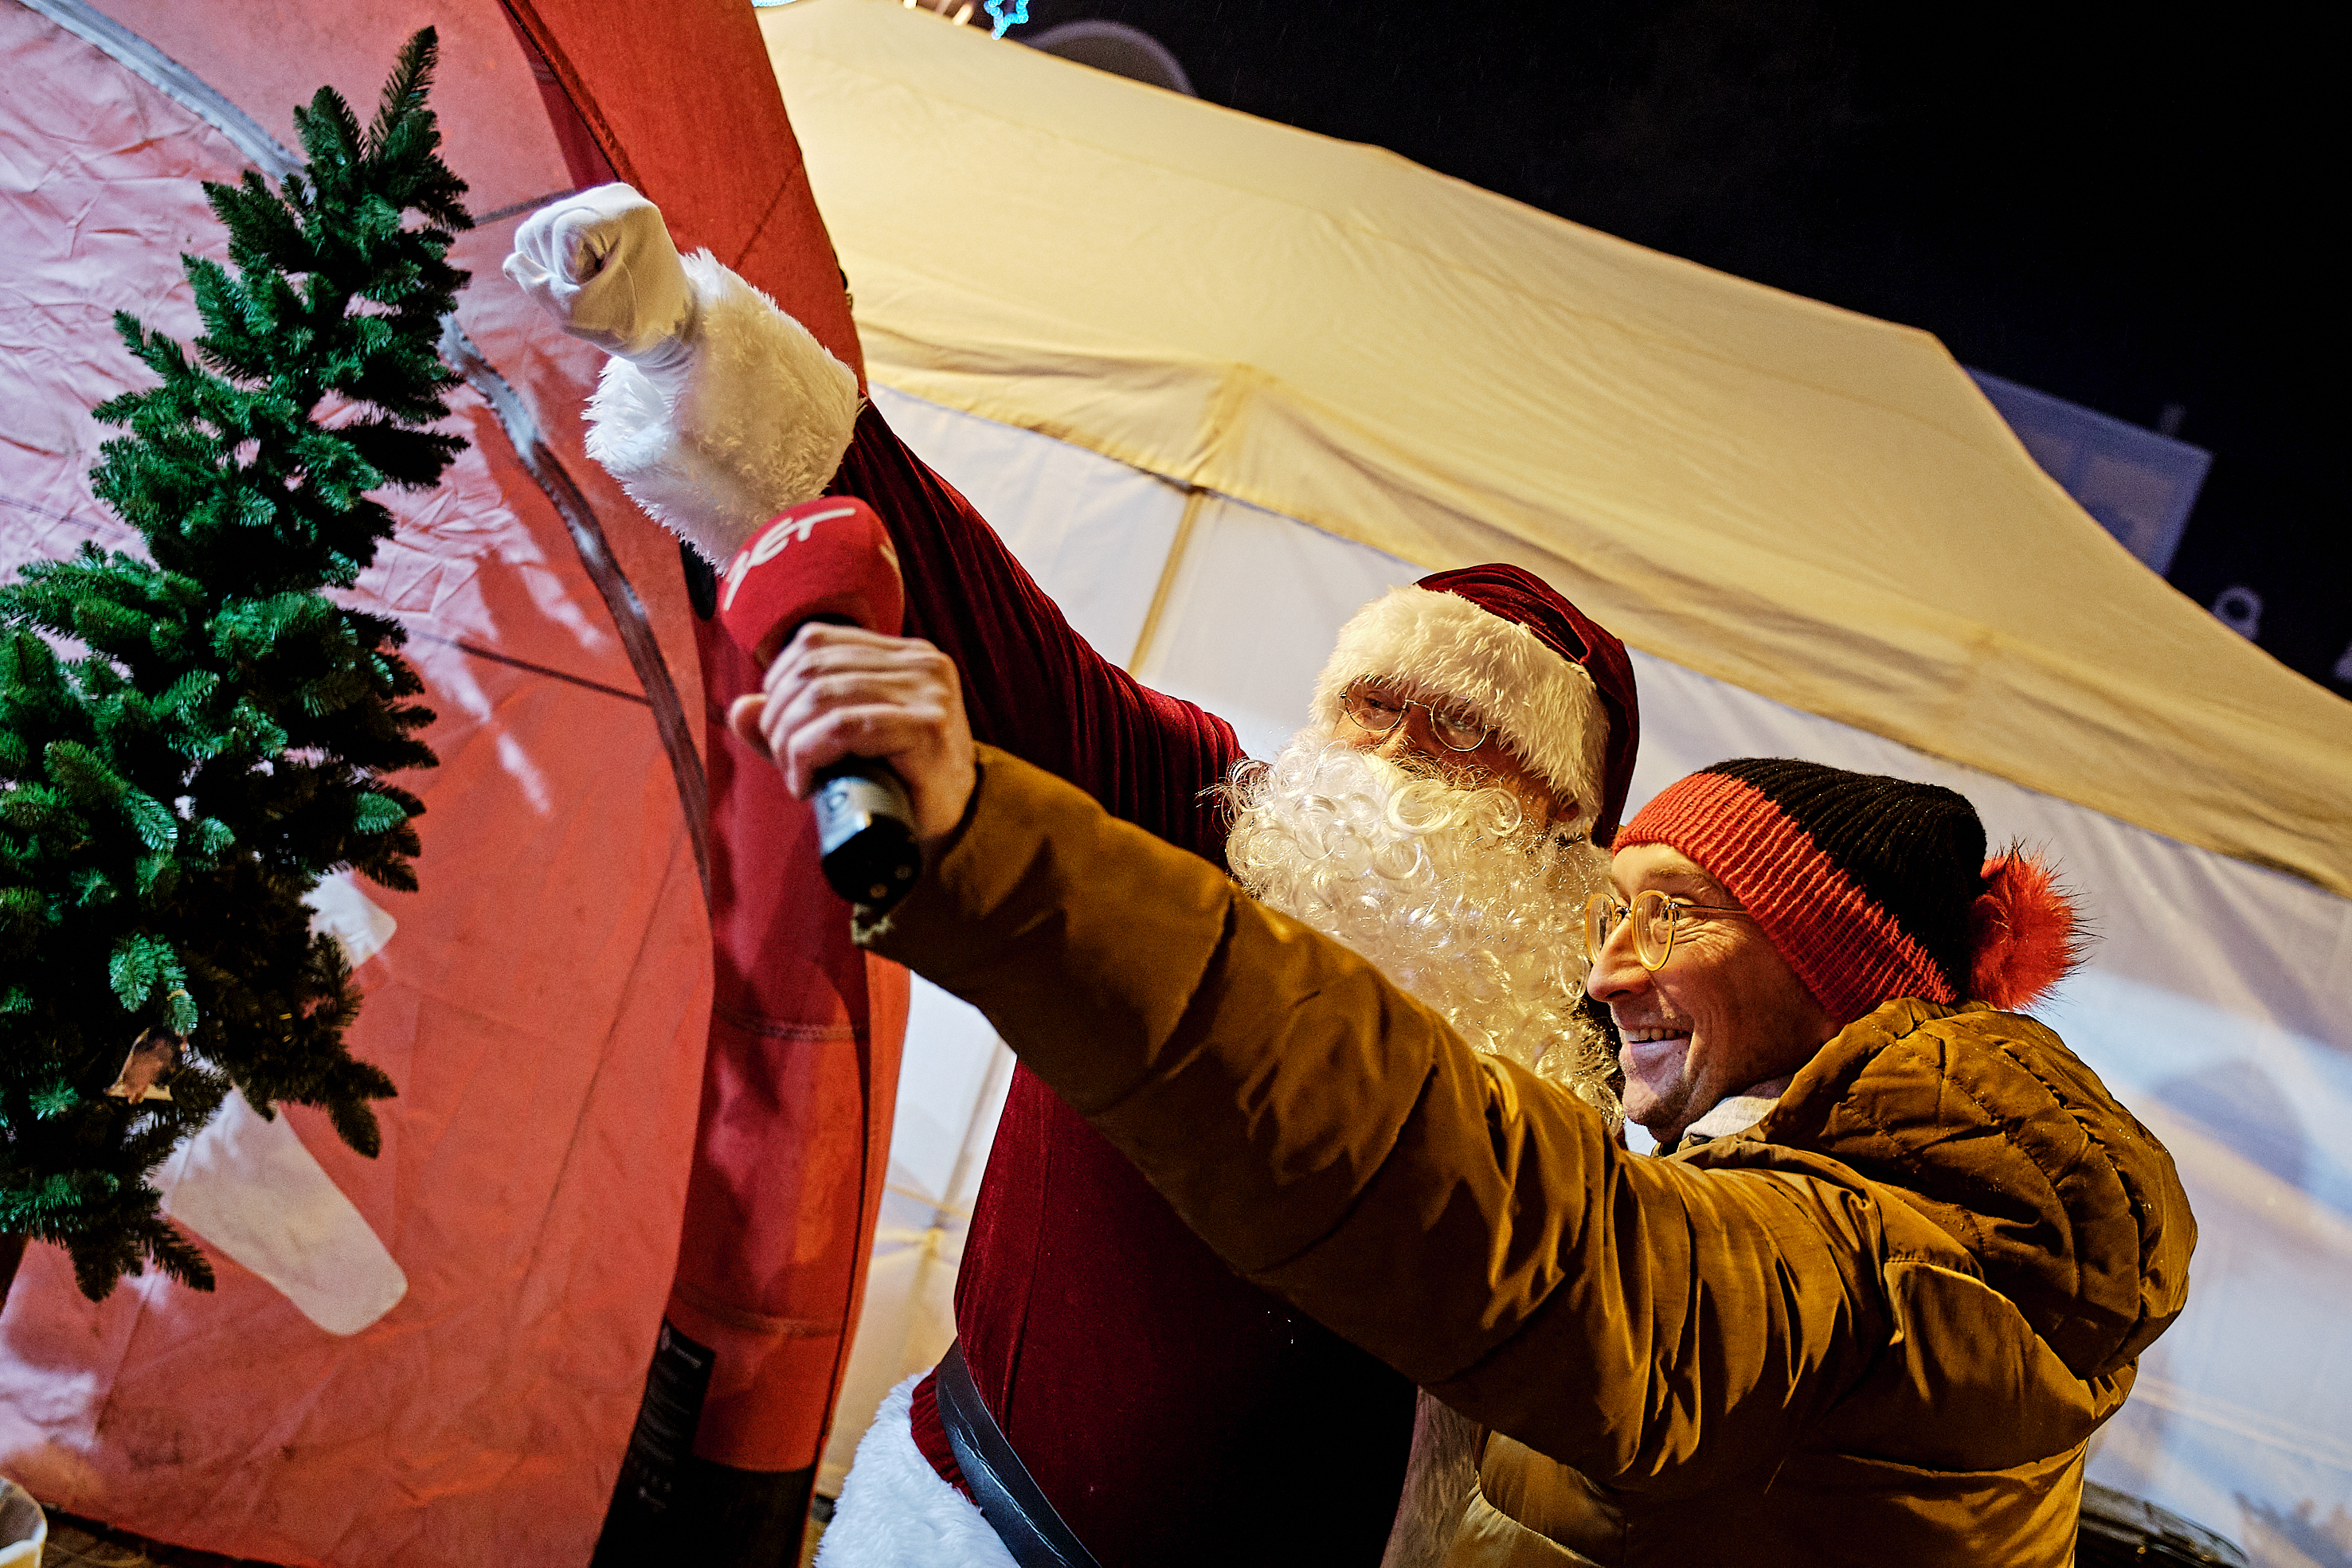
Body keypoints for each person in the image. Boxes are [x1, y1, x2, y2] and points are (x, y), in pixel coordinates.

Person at [507, 188, 1642, 1565]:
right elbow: (985, 623)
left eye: (1465, 733)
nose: (1396, 758)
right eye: (1372, 706)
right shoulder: (1209, 812)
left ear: (1560, 824)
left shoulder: (1583, 1044)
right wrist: (687, 340)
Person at [732, 627, 2197, 1566]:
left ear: (1834, 973)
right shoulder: (1871, 1185)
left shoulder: (1879, 1246)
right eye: (1603, 907)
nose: (1607, 966)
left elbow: (1535, 1236)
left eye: (1674, 914)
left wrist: (1005, 856)